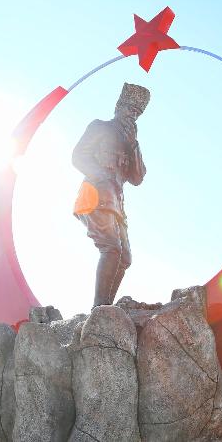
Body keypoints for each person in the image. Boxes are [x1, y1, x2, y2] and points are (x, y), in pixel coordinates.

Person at [72, 83, 150, 308]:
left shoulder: (131, 143)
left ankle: (106, 306)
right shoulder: (100, 127)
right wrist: (101, 178)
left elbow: (137, 178)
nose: (132, 115)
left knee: (125, 258)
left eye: (136, 113)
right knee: (111, 248)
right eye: (129, 109)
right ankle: (100, 308)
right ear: (118, 107)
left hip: (117, 204)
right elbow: (78, 156)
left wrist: (133, 144)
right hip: (95, 195)